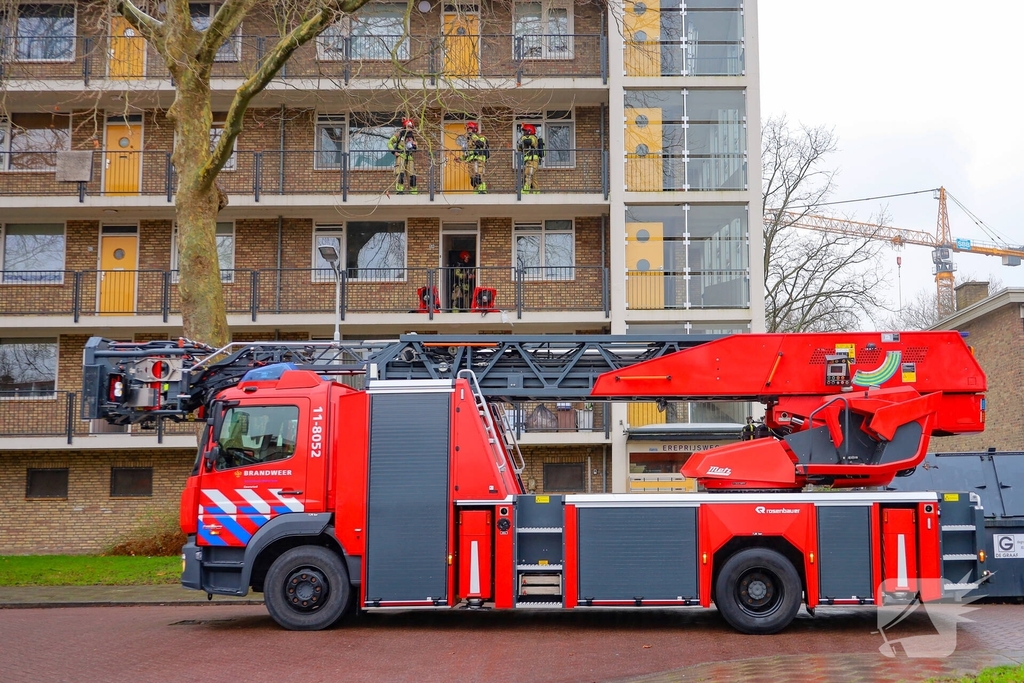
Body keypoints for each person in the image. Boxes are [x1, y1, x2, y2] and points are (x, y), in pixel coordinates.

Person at [388, 118, 418, 194]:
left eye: (411, 127)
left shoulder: (412, 137)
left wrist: (415, 146)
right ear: (405, 127)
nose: (410, 129)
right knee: (400, 174)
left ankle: (413, 191)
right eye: (409, 127)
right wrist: (394, 152)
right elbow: (389, 143)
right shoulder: (398, 134)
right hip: (401, 156)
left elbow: (415, 148)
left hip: (409, 157)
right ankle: (399, 190)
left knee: (412, 175)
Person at [461, 121, 489, 194]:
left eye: (470, 129)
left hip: (478, 160)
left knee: (479, 177)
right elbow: (467, 152)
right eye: (468, 130)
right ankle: (476, 192)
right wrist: (460, 158)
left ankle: (482, 191)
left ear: (474, 129)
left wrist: (473, 136)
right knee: (473, 180)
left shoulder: (481, 137)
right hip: (471, 162)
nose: (468, 131)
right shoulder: (468, 141)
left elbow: (481, 144)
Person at [517, 123, 543, 194]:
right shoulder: (524, 139)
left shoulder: (533, 137)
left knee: (528, 174)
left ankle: (526, 189)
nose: (523, 133)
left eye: (525, 131)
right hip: (529, 161)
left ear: (529, 131)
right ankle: (536, 191)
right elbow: (519, 148)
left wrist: (523, 139)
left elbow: (530, 142)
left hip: (532, 160)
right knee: (533, 177)